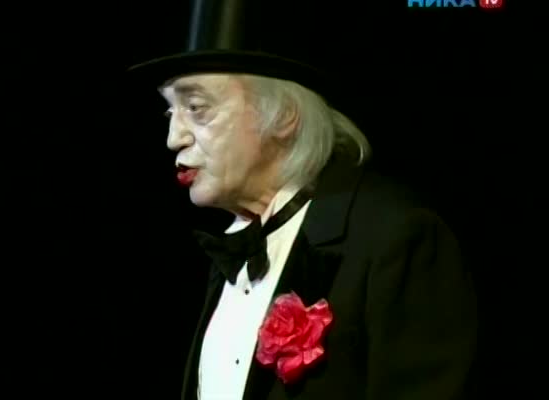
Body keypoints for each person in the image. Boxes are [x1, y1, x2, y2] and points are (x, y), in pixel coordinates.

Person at [127, 1, 477, 399]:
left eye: (196, 108)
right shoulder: (230, 253)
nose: (173, 138)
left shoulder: (395, 237)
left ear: (284, 117)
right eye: (170, 113)